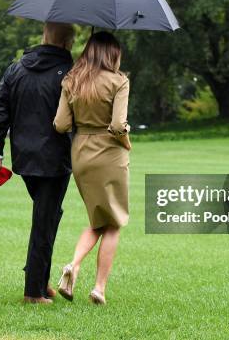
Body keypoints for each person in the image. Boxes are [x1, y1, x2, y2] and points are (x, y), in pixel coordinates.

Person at [0, 22, 76, 304]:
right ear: (66, 43)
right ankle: (33, 292)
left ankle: (40, 278)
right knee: (45, 220)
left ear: (44, 36)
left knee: (48, 215)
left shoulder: (15, 69)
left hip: (24, 159)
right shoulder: (69, 73)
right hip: (56, 158)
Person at [53, 31, 131, 305]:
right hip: (109, 152)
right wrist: (127, 141)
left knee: (99, 220)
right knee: (114, 222)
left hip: (81, 154)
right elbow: (119, 125)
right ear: (113, 54)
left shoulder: (71, 80)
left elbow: (61, 125)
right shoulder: (119, 81)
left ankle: (73, 266)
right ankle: (99, 287)